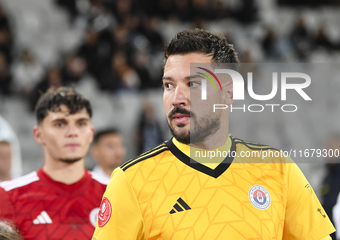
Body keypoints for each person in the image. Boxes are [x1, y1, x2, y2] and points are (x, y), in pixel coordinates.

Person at [92, 28, 335, 239]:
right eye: (169, 85)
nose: (177, 98)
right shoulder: (132, 181)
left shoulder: (278, 169)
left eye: (193, 84)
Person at [0, 86, 109, 240]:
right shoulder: (6, 196)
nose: (72, 132)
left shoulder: (114, 193)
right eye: (60, 124)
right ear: (38, 134)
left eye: (81, 123)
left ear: (91, 134)